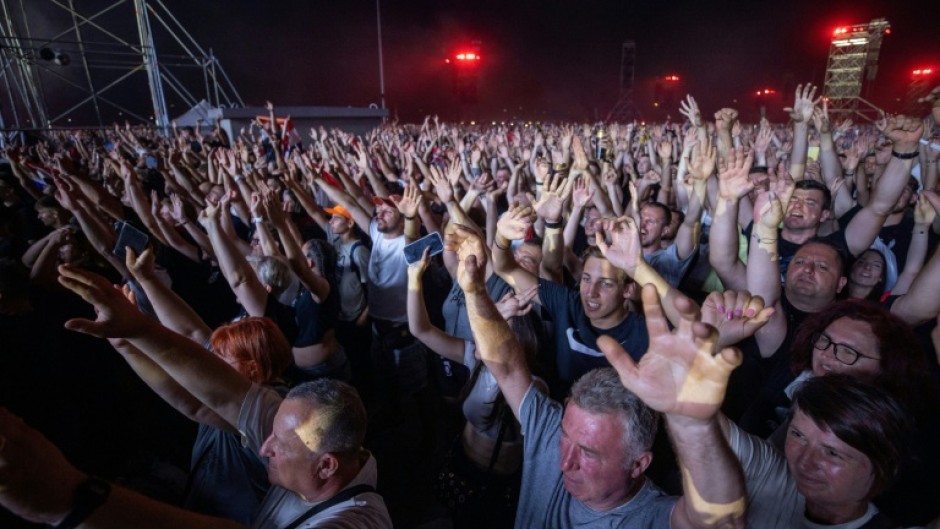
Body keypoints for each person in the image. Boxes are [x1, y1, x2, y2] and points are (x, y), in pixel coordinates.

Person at [0, 263, 391, 529]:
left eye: (279, 445)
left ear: (326, 468)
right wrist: (134, 333)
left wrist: (75, 499)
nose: (264, 446)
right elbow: (209, 399)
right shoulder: (300, 424)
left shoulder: (353, 521)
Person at [447, 222, 748, 529]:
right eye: (566, 438)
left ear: (638, 464)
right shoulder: (551, 430)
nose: (564, 463)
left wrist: (693, 424)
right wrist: (474, 291)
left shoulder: (647, 516)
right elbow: (506, 364)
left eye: (590, 453)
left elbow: (722, 521)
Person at [724, 375, 915, 529]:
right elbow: (700, 417)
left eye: (832, 453)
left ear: (882, 467)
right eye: (798, 435)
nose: (804, 461)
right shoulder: (771, 471)